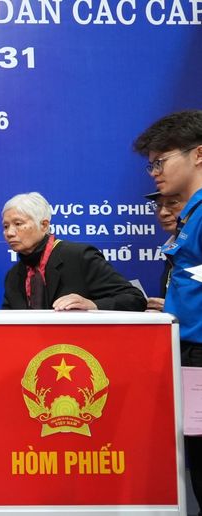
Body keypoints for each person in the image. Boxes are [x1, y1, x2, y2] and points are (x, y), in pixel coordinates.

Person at [133, 110, 202, 513]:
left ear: (198, 155)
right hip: (189, 356)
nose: (154, 172)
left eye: (162, 161)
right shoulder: (189, 217)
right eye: (151, 165)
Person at [1, 192, 145, 311]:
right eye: (6, 226)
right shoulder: (13, 276)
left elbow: (134, 299)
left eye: (18, 224)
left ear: (44, 225)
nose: (9, 233)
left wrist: (93, 305)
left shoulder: (80, 257)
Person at [143, 190, 185, 311]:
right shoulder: (172, 249)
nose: (163, 213)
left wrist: (172, 307)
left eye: (172, 203)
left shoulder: (194, 250)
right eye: (159, 206)